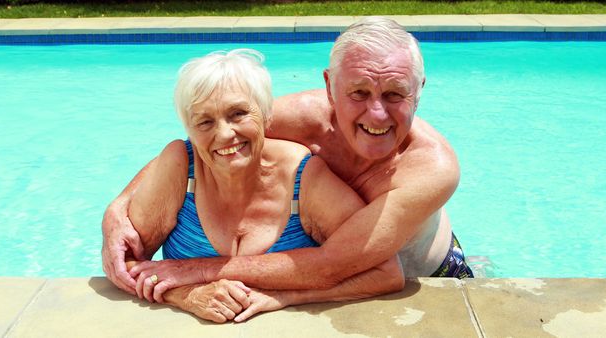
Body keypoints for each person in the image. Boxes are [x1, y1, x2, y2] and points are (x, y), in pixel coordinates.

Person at [103, 16, 472, 305]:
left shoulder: (432, 168)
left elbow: (334, 265)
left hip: (429, 272)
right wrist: (118, 208)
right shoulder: (300, 118)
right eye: (358, 92)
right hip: (333, 276)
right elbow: (203, 144)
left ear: (419, 91)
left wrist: (196, 271)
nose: (376, 114)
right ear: (330, 87)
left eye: (394, 94)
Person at [123, 48, 404, 323]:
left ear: (267, 115)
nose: (224, 134)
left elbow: (385, 271)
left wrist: (287, 296)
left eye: (238, 114)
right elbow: (123, 262)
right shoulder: (180, 168)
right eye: (205, 121)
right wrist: (186, 294)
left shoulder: (304, 178)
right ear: (189, 130)